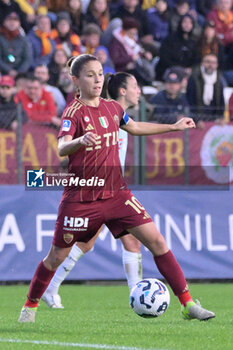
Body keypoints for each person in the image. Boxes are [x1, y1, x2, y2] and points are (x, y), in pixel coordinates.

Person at [18, 54, 215, 323]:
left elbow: (133, 127)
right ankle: (30, 306)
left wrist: (173, 126)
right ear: (76, 80)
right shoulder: (73, 112)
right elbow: (61, 146)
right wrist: (79, 141)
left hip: (118, 195)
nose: (97, 79)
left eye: (100, 73)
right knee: (55, 257)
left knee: (157, 242)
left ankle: (188, 304)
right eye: (90, 75)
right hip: (82, 197)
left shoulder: (113, 108)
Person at [42, 71, 142, 308]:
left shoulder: (118, 116)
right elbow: (73, 148)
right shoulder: (102, 114)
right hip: (95, 191)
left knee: (97, 244)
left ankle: (51, 288)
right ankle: (137, 297)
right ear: (122, 91)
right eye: (136, 85)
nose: (140, 91)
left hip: (111, 190)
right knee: (120, 242)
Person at [186, 53, 225, 123]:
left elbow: (221, 100)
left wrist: (220, 117)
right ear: (202, 63)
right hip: (197, 116)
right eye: (208, 62)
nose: (210, 65)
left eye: (213, 63)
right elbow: (190, 100)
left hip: (213, 116)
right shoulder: (194, 78)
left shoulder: (219, 79)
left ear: (217, 65)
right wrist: (196, 120)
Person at [0, 11, 32, 77]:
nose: (12, 22)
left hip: (20, 74)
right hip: (2, 72)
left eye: (15, 20)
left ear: (19, 23)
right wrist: (9, 70)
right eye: (9, 20)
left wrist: (19, 72)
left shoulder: (23, 39)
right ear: (4, 22)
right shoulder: (1, 38)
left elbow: (28, 58)